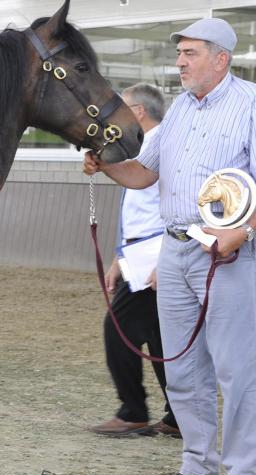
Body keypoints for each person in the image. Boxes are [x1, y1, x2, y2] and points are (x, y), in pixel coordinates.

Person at [83, 18, 256, 475]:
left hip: (227, 252)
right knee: (180, 367)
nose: (179, 62)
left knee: (234, 369)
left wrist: (245, 232)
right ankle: (197, 469)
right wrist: (105, 165)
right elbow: (143, 175)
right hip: (173, 251)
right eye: (180, 54)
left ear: (221, 59)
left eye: (190, 53)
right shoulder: (178, 111)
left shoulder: (255, 105)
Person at [89, 83, 179, 439]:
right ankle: (177, 416)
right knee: (160, 339)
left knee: (119, 330)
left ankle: (133, 410)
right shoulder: (150, 146)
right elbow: (138, 213)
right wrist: (118, 259)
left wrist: (163, 261)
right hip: (139, 256)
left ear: (139, 112)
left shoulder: (160, 145)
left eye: (122, 108)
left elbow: (164, 213)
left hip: (154, 256)